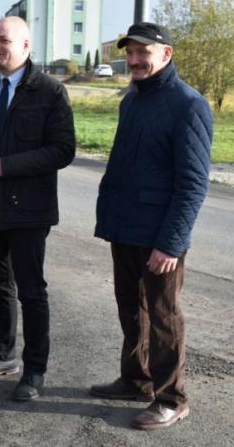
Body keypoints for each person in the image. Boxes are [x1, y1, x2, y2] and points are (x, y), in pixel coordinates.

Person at [91, 22, 213, 430]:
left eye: (144, 52)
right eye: (130, 52)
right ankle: (136, 380)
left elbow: (193, 184)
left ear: (166, 54)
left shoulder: (188, 104)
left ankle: (172, 398)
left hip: (160, 236)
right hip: (125, 227)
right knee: (131, 310)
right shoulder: (133, 100)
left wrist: (171, 243)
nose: (135, 60)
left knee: (162, 317)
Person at [0, 16, 75, 401]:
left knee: (32, 290)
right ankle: (3, 355)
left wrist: (7, 166)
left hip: (29, 209)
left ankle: (34, 370)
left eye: (3, 41)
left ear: (25, 46)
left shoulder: (50, 91)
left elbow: (62, 150)